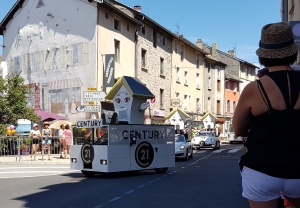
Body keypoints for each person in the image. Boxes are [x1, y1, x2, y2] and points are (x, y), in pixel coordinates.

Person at [233, 22, 300, 208]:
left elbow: (238, 129)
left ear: (263, 56)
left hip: (261, 171)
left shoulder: (254, 88)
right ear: (293, 52)